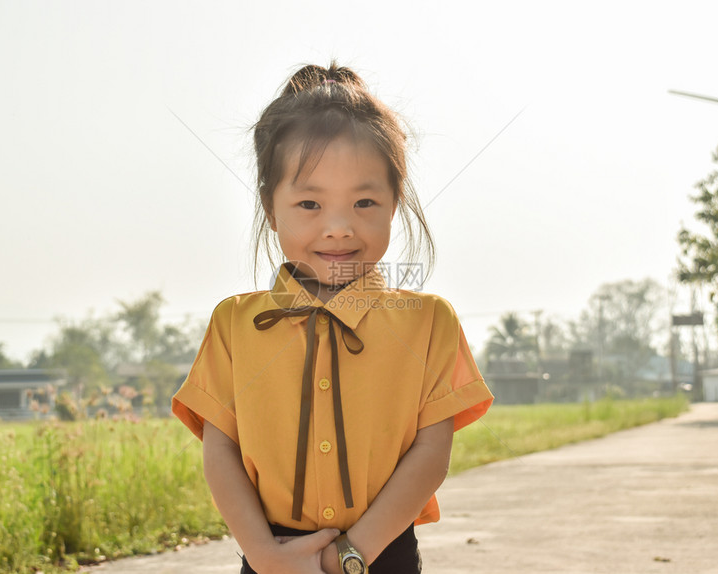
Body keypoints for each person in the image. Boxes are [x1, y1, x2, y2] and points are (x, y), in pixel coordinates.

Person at [172, 62, 493, 574]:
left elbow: (431, 454)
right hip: (269, 558)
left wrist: (350, 554)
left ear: (394, 204)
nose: (339, 228)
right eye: (309, 203)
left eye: (365, 201)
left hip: (383, 554)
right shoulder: (233, 324)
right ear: (271, 209)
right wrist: (263, 554)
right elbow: (221, 454)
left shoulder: (428, 322)